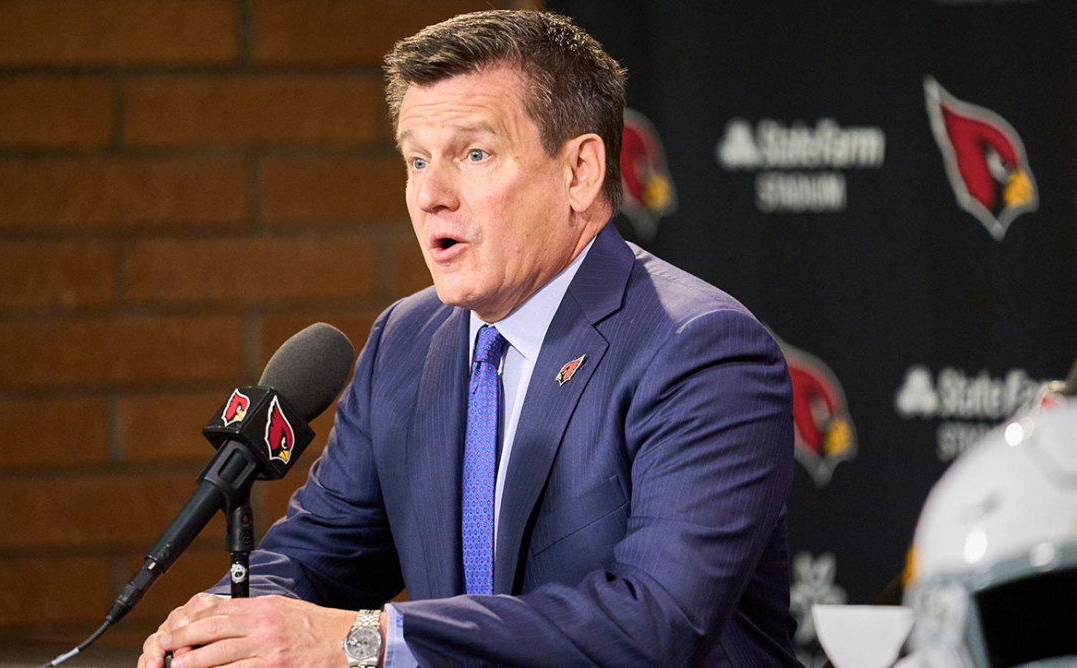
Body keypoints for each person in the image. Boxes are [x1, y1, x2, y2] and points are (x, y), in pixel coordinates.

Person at [139, 10, 798, 667]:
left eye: (474, 154)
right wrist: (219, 630)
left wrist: (361, 640)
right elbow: (319, 557)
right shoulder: (407, 339)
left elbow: (653, 623)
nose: (429, 194)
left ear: (580, 172)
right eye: (416, 159)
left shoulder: (700, 351)